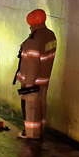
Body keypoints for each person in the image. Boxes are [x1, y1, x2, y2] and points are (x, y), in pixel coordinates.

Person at [15, 9, 57, 140]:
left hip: (32, 82)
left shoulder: (34, 40)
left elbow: (32, 65)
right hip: (44, 80)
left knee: (31, 108)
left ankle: (32, 135)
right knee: (41, 105)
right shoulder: (50, 35)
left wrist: (28, 84)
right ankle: (40, 130)